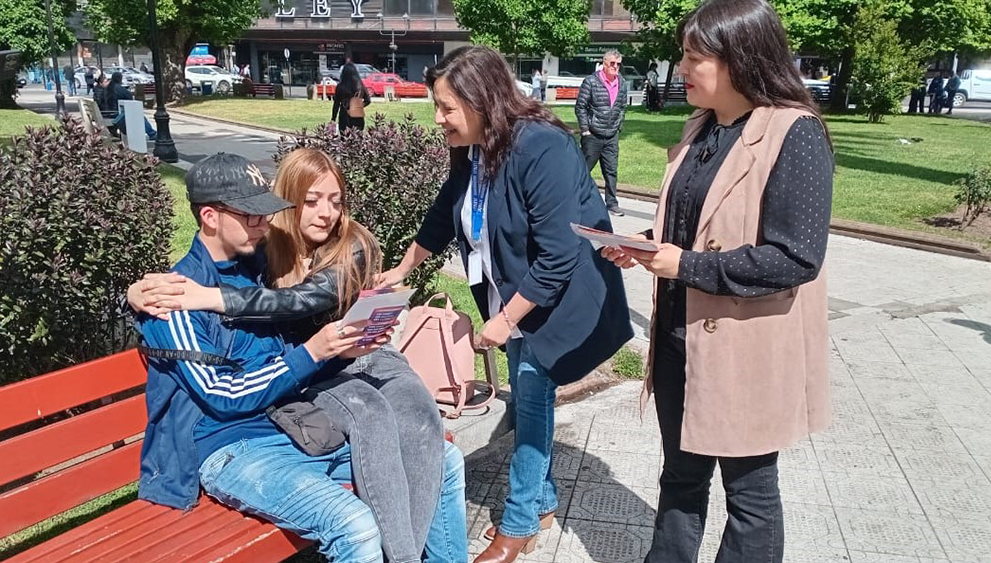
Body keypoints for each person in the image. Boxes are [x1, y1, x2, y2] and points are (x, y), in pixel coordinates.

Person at [129, 149, 469, 563]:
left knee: (442, 460)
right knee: (355, 526)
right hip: (231, 448)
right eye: (250, 215)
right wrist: (313, 352)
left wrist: (341, 350)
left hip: (289, 425)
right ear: (210, 217)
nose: (264, 224)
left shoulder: (257, 268)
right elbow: (225, 395)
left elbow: (289, 326)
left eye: (265, 212)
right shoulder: (176, 300)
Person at [377, 45, 633, 563]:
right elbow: (445, 213)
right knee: (526, 392)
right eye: (436, 106)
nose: (438, 118)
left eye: (446, 107)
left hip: (558, 296)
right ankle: (543, 501)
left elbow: (560, 254)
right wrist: (401, 270)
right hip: (514, 293)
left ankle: (517, 525)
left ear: (481, 101)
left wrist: (505, 319)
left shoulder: (542, 147)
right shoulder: (474, 148)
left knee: (532, 395)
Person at [602, 1, 834, 561]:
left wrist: (685, 266)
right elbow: (697, 224)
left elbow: (796, 258)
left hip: (744, 348)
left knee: (749, 495)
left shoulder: (794, 132)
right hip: (678, 340)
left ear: (739, 58)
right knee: (680, 475)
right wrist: (645, 245)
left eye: (694, 57)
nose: (681, 68)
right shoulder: (702, 126)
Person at [575, 49, 629, 217]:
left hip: (611, 135)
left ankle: (612, 204)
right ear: (604, 63)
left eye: (618, 64)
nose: (615, 67)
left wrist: (618, 126)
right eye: (612, 63)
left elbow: (622, 107)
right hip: (593, 135)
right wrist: (585, 129)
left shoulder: (622, 83)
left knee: (611, 171)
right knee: (583, 169)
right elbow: (580, 106)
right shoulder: (591, 81)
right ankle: (574, 199)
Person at [107, 71, 157, 140]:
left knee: (138, 115)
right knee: (139, 116)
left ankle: (151, 133)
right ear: (120, 79)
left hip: (108, 112)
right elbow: (130, 98)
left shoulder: (109, 88)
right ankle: (152, 133)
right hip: (115, 113)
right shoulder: (119, 89)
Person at [331, 62, 371, 133]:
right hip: (358, 114)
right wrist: (359, 105)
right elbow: (368, 100)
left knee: (344, 136)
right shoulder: (360, 86)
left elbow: (336, 104)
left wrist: (333, 118)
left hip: (344, 115)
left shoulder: (340, 87)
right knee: (358, 135)